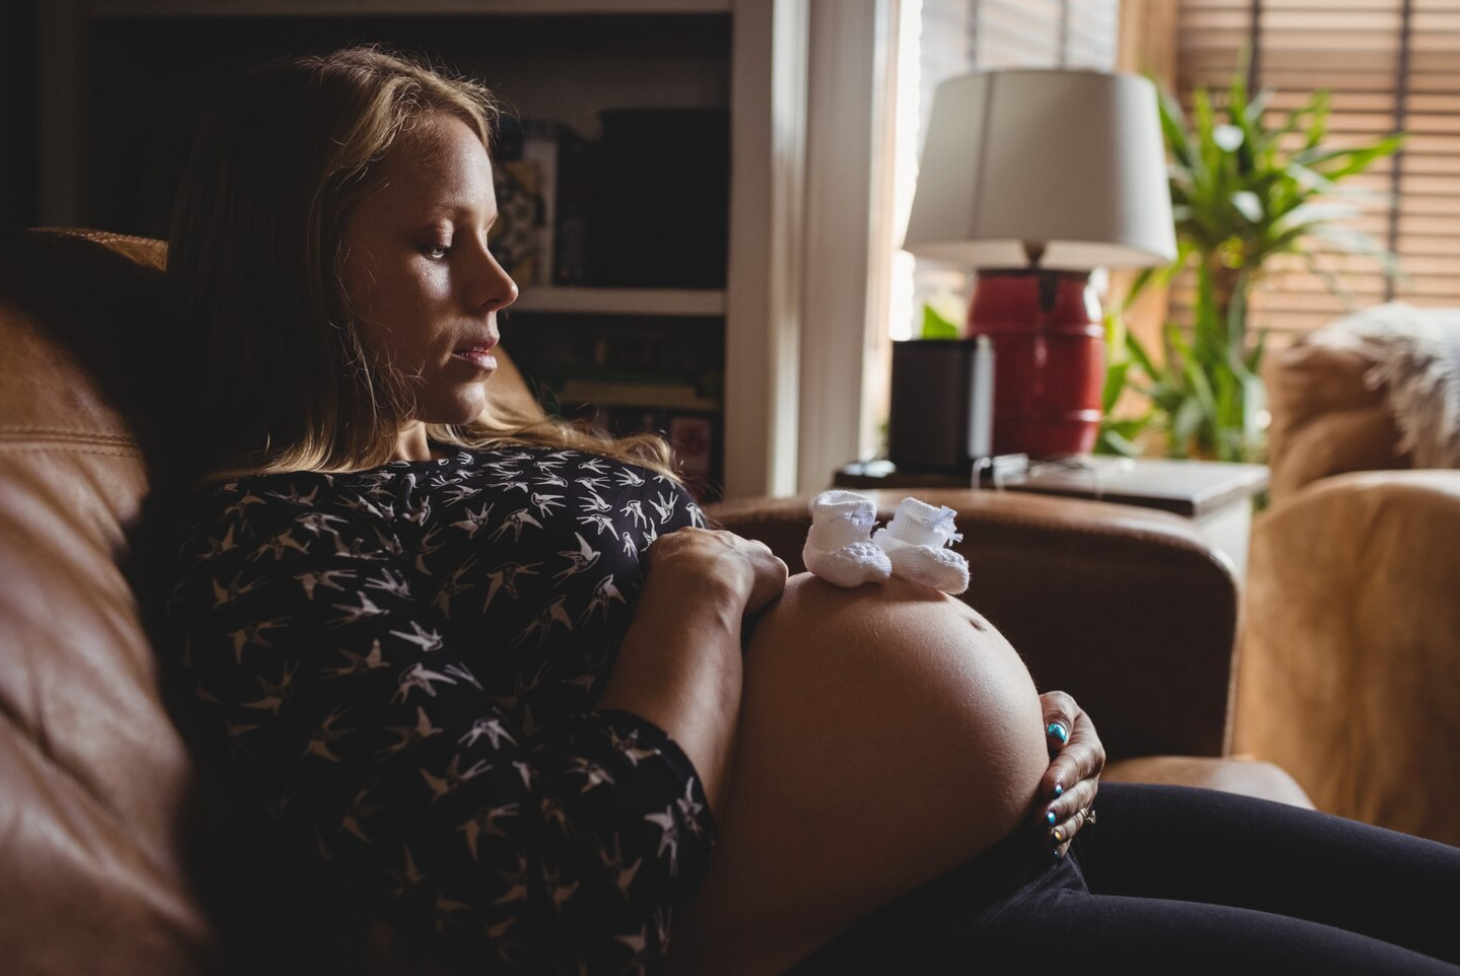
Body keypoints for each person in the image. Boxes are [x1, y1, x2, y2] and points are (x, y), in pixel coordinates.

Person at [157, 45, 1460, 976]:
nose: (503, 284)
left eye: (497, 235)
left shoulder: (476, 449)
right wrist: (703, 593)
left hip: (1018, 845)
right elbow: (563, 897)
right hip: (897, 930)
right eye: (441, 244)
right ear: (293, 264)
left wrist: (1033, 719)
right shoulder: (268, 545)